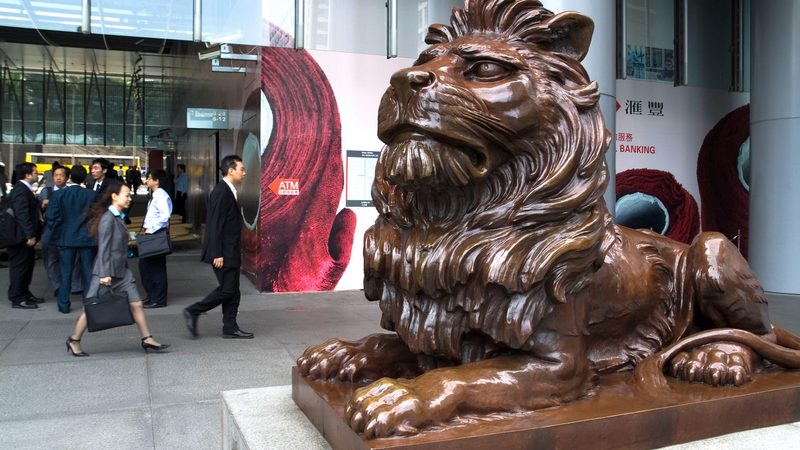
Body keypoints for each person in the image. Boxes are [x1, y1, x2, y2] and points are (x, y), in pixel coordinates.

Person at [65, 181, 169, 356]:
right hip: (106, 272)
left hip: (121, 271)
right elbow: (104, 248)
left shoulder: (117, 217)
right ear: (114, 197)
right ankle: (74, 340)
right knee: (92, 307)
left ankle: (147, 339)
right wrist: (104, 274)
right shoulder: (108, 219)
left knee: (136, 303)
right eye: (126, 195)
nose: (130, 198)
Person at [183, 155, 252, 339]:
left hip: (230, 251)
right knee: (228, 290)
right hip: (223, 253)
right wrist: (217, 253)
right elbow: (214, 224)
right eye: (241, 169)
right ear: (231, 170)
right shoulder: (222, 192)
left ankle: (230, 328)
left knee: (233, 291)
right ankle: (193, 311)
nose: (244, 173)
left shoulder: (228, 190)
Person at [47, 165, 98, 314]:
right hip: (87, 238)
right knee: (87, 272)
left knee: (65, 272)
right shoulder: (91, 195)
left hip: (66, 238)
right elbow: (97, 216)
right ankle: (89, 303)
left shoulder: (59, 195)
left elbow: (51, 217)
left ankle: (64, 304)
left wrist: (58, 230)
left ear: (69, 177)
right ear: (85, 178)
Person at [7, 162, 43, 309]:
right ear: (27, 175)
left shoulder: (24, 189)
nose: (37, 174)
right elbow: (22, 214)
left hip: (25, 236)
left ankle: (25, 293)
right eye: (35, 172)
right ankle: (17, 297)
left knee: (27, 266)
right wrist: (29, 235)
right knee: (19, 267)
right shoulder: (21, 190)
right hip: (21, 237)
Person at [140, 169, 172, 309]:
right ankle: (151, 296)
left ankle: (158, 299)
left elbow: (165, 216)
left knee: (156, 268)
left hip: (156, 235)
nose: (146, 180)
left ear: (156, 181)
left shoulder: (161, 195)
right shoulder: (155, 195)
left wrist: (151, 229)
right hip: (151, 234)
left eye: (149, 178)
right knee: (146, 267)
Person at [39, 165, 69, 298]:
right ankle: (57, 286)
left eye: (61, 175)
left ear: (66, 178)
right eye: (56, 175)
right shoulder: (46, 191)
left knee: (65, 259)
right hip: (49, 231)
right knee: (50, 260)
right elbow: (37, 209)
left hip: (65, 231)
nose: (58, 178)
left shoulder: (70, 192)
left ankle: (65, 283)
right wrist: (42, 205)